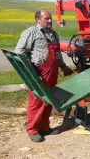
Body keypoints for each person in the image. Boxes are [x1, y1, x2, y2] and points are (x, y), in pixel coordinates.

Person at [15, 9, 74, 142]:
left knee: (49, 101)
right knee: (36, 101)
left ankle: (44, 128)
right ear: (38, 19)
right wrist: (32, 73)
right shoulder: (31, 32)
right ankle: (32, 130)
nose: (50, 21)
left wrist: (63, 66)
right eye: (46, 18)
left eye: (50, 18)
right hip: (38, 73)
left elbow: (57, 53)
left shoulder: (53, 34)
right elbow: (19, 52)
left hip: (52, 73)